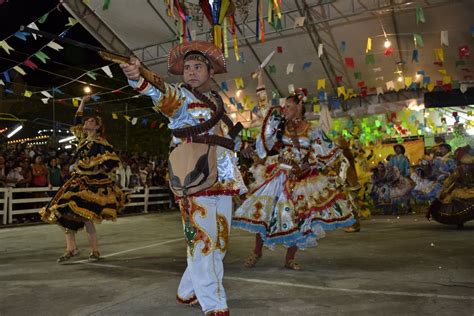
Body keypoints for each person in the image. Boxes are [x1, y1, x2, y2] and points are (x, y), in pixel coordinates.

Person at [121, 41, 246, 316]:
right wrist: (136, 77)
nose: (191, 72)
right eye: (187, 67)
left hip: (223, 181)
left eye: (198, 67)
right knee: (202, 242)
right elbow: (158, 92)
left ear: (210, 71)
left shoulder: (216, 101)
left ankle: (187, 291)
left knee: (220, 244)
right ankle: (214, 305)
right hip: (194, 179)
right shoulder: (179, 97)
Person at [233, 69, 356, 271]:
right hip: (277, 174)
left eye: (289, 106)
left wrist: (306, 166)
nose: (285, 110)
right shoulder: (280, 125)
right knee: (265, 212)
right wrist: (261, 82)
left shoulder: (313, 129)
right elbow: (264, 121)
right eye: (284, 107)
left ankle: (289, 259)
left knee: (297, 218)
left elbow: (324, 155)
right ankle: (256, 252)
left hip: (300, 179)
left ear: (299, 106)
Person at [40, 96, 128, 262]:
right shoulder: (82, 138)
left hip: (92, 183)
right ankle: (71, 249)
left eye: (91, 120)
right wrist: (83, 101)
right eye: (87, 120)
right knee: (64, 212)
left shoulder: (101, 142)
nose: (87, 122)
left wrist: (96, 168)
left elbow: (109, 162)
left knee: (87, 217)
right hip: (78, 179)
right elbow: (77, 119)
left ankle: (94, 251)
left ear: (98, 126)